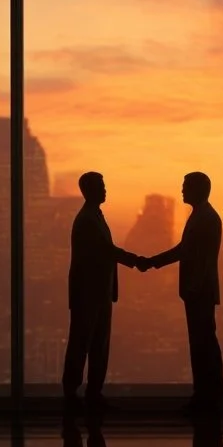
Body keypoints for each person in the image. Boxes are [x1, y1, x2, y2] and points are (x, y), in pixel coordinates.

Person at [138, 172, 223, 407]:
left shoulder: (204, 218)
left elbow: (188, 253)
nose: (182, 190)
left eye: (186, 186)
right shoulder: (202, 216)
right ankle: (207, 394)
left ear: (198, 189)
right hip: (199, 290)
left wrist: (151, 262)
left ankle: (207, 396)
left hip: (199, 291)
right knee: (203, 343)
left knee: (202, 344)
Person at [62, 171, 142, 407]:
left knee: (97, 344)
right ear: (89, 190)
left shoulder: (94, 216)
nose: (105, 189)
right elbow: (106, 250)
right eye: (101, 185)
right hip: (89, 294)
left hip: (99, 292)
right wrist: (136, 260)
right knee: (83, 343)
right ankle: (73, 392)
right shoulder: (88, 219)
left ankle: (92, 392)